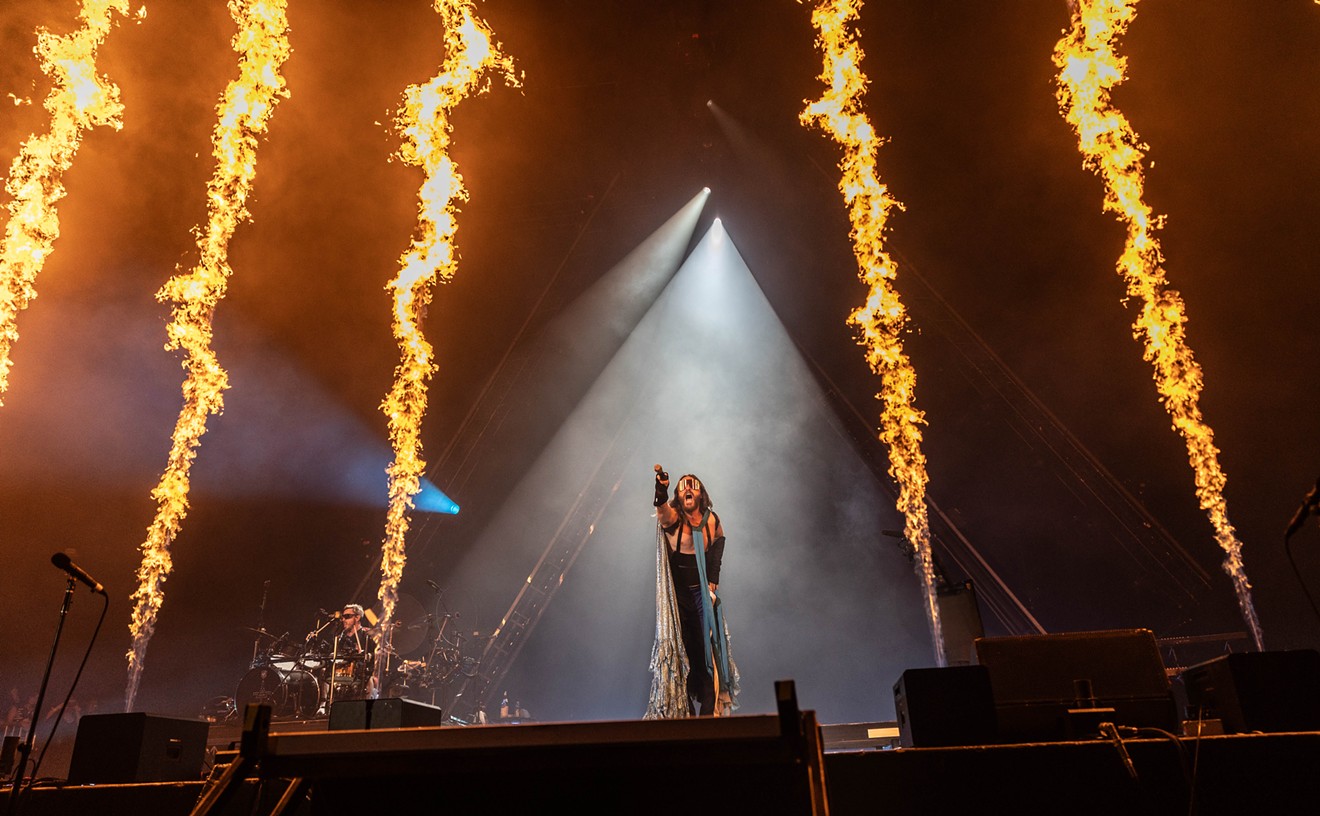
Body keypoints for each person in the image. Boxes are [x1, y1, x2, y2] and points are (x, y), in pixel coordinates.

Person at [646, 466, 738, 718]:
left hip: (699, 592)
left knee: (705, 648)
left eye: (693, 484)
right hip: (677, 595)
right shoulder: (674, 518)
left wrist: (713, 579)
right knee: (679, 650)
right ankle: (682, 711)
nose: (687, 487)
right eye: (683, 484)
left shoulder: (711, 521)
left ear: (701, 494)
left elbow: (719, 541)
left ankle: (709, 712)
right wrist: (660, 488)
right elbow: (662, 512)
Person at [323, 603, 376, 703]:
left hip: (359, 671)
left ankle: (366, 706)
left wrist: (369, 655)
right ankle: (323, 704)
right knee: (323, 670)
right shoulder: (340, 637)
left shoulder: (367, 635)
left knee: (369, 678)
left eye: (347, 617)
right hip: (341, 669)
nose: (343, 620)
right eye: (343, 617)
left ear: (357, 617)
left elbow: (379, 652)